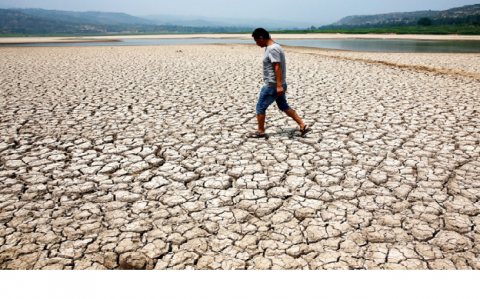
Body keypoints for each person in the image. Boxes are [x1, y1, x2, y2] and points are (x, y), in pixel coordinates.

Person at [246, 28, 311, 139]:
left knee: (260, 107)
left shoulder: (272, 49)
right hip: (277, 85)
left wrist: (279, 86)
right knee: (284, 106)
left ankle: (260, 131)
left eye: (256, 41)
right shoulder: (274, 47)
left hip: (272, 85)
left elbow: (277, 67)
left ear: (261, 38)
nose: (256, 44)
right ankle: (303, 126)